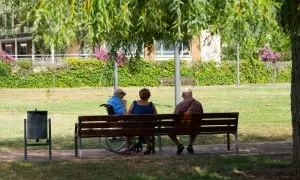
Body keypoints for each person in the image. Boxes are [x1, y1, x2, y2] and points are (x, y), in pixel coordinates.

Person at [169, 88, 203, 154]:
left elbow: (174, 117)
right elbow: (201, 116)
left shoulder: (180, 105)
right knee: (195, 125)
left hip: (181, 128)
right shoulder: (198, 104)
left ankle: (179, 145)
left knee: (167, 128)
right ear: (191, 94)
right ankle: (190, 145)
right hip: (195, 127)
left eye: (182, 96)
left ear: (184, 95)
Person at [128, 88, 157, 155]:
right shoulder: (151, 105)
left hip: (136, 128)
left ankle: (130, 146)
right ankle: (149, 145)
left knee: (141, 127)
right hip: (149, 128)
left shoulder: (134, 103)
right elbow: (156, 116)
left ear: (140, 95)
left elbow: (128, 114)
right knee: (145, 128)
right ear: (149, 96)